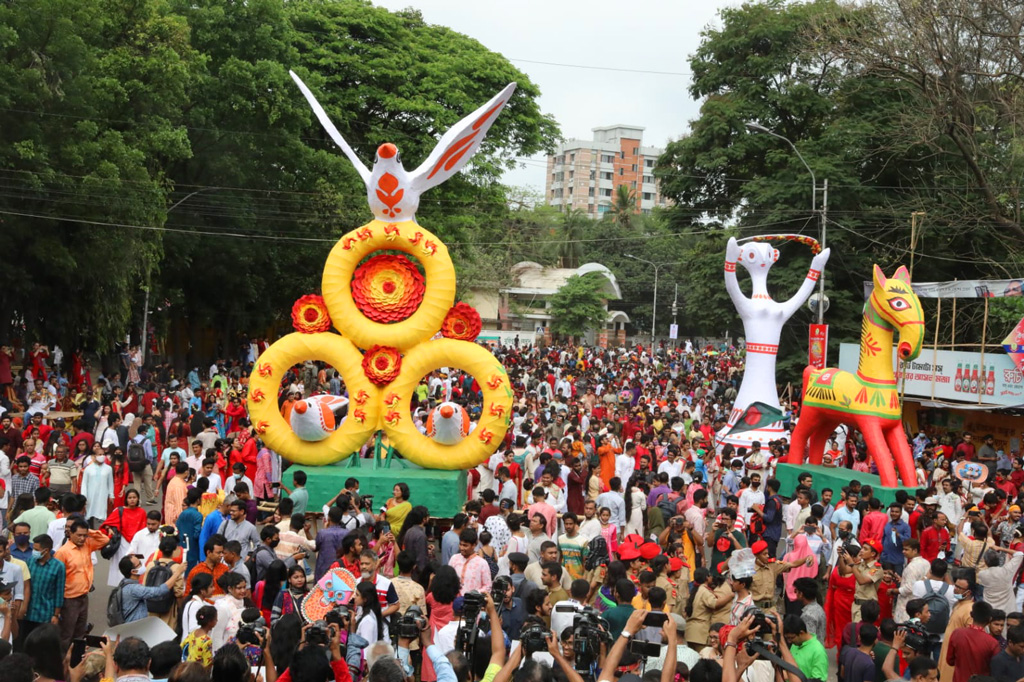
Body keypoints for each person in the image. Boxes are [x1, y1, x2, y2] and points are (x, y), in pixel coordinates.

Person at [54, 518, 108, 648]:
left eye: (85, 535)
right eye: (79, 535)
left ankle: (77, 662)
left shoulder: (87, 545)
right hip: (69, 600)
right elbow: (57, 579)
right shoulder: (62, 552)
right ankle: (63, 664)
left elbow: (105, 540)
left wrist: (89, 531)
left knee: (80, 634)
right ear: (70, 534)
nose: (82, 538)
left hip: (83, 597)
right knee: (66, 635)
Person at [114, 553, 185, 623]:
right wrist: (177, 573)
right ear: (133, 571)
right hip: (135, 629)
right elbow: (159, 591)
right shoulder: (134, 589)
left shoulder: (123, 583)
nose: (142, 565)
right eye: (139, 564)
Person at [21, 534, 64, 642]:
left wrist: (55, 615)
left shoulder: (58, 566)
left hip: (46, 614)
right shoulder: (30, 562)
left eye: (36, 549)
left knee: (42, 644)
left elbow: (59, 592)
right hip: (29, 613)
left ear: (46, 550)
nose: (34, 552)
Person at [946, 601, 1001, 682]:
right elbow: (995, 669)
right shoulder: (992, 643)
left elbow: (950, 661)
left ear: (971, 614)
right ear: (990, 619)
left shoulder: (957, 633)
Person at [784, 613, 828, 682]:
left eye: (791, 638)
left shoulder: (818, 651)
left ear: (801, 633)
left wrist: (792, 678)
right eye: (787, 638)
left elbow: (819, 680)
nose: (789, 641)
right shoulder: (795, 644)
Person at [448, 527, 492, 595]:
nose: (461, 548)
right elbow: (447, 579)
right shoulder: (454, 559)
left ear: (474, 545)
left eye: (465, 545)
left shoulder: (482, 563)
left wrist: (473, 594)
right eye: (460, 544)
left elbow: (487, 587)